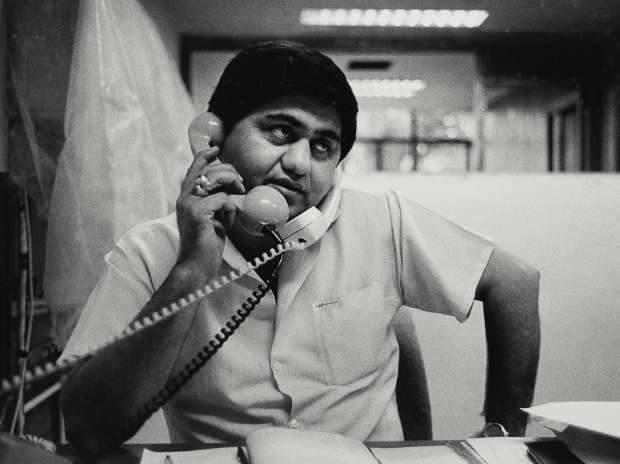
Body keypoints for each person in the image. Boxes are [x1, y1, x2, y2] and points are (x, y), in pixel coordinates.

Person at [60, 41, 540, 456]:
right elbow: (85, 432)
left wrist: (502, 435)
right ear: (214, 136)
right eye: (281, 132)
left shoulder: (380, 221)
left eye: (323, 146)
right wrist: (191, 269)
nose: (298, 163)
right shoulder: (147, 251)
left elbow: (515, 282)